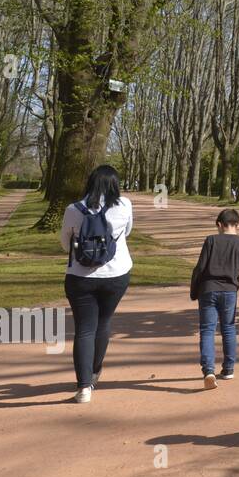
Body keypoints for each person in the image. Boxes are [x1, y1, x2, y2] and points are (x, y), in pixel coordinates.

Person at [59, 164, 134, 404]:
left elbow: (65, 244)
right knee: (104, 322)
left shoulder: (73, 209)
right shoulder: (125, 205)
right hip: (116, 275)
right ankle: (93, 374)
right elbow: (128, 232)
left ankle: (83, 388)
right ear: (115, 184)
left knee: (84, 328)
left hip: (80, 277)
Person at [189, 208, 239, 389]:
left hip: (208, 290)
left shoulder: (211, 240)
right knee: (228, 329)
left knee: (207, 330)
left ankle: (209, 370)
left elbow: (199, 268)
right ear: (238, 225)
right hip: (230, 292)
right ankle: (228, 369)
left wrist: (193, 291)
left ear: (219, 224)